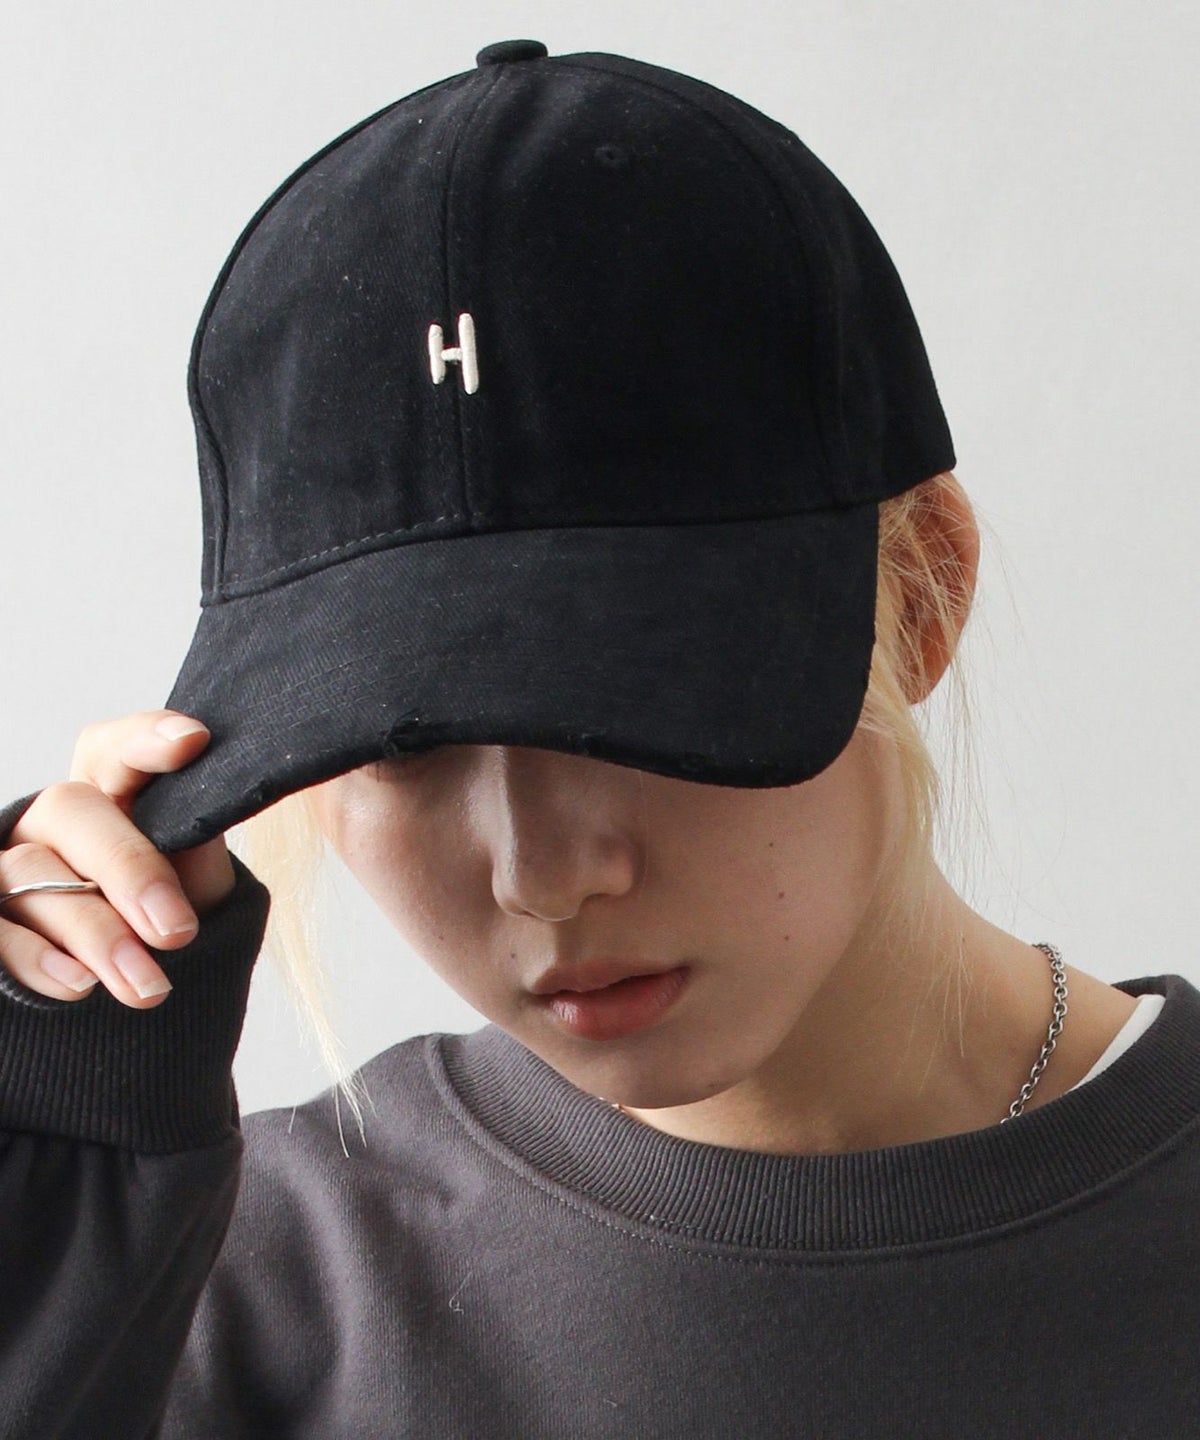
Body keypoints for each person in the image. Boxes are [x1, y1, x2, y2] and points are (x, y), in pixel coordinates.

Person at [1, 38, 1197, 1440]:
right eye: (407, 742)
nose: (543, 875)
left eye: (637, 693)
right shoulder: (231, 1287)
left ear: (922, 596)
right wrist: (53, 1228)